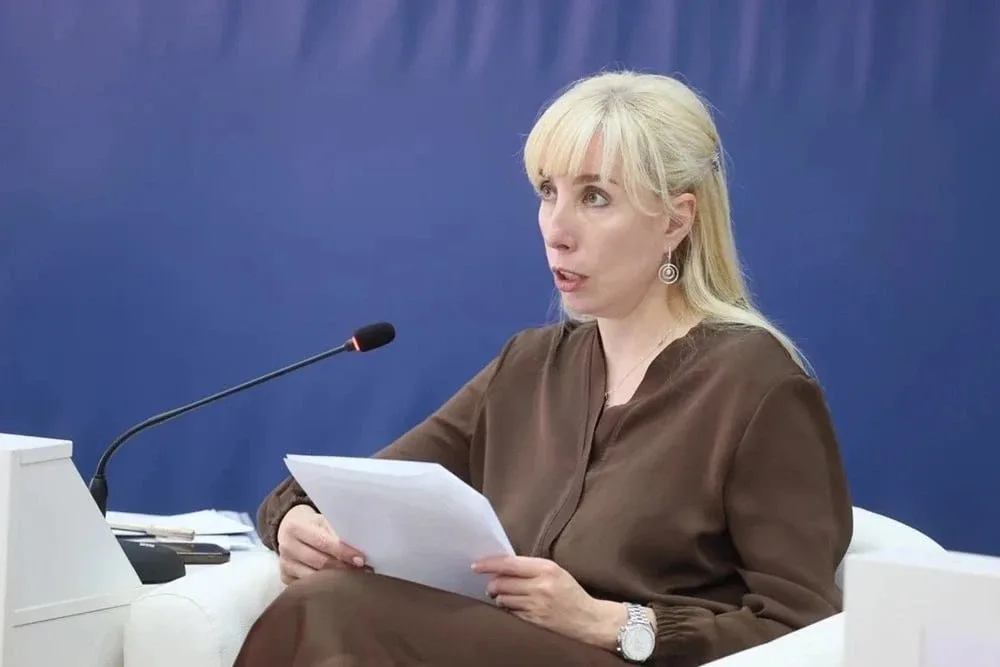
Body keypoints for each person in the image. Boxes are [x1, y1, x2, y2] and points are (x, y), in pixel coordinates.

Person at [234, 69, 853, 667]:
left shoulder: (756, 384)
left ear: (675, 220)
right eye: (548, 193)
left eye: (595, 197)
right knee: (335, 600)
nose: (557, 230)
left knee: (337, 611)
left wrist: (614, 623)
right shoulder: (529, 366)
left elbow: (804, 625)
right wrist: (295, 522)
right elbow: (345, 489)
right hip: (495, 649)